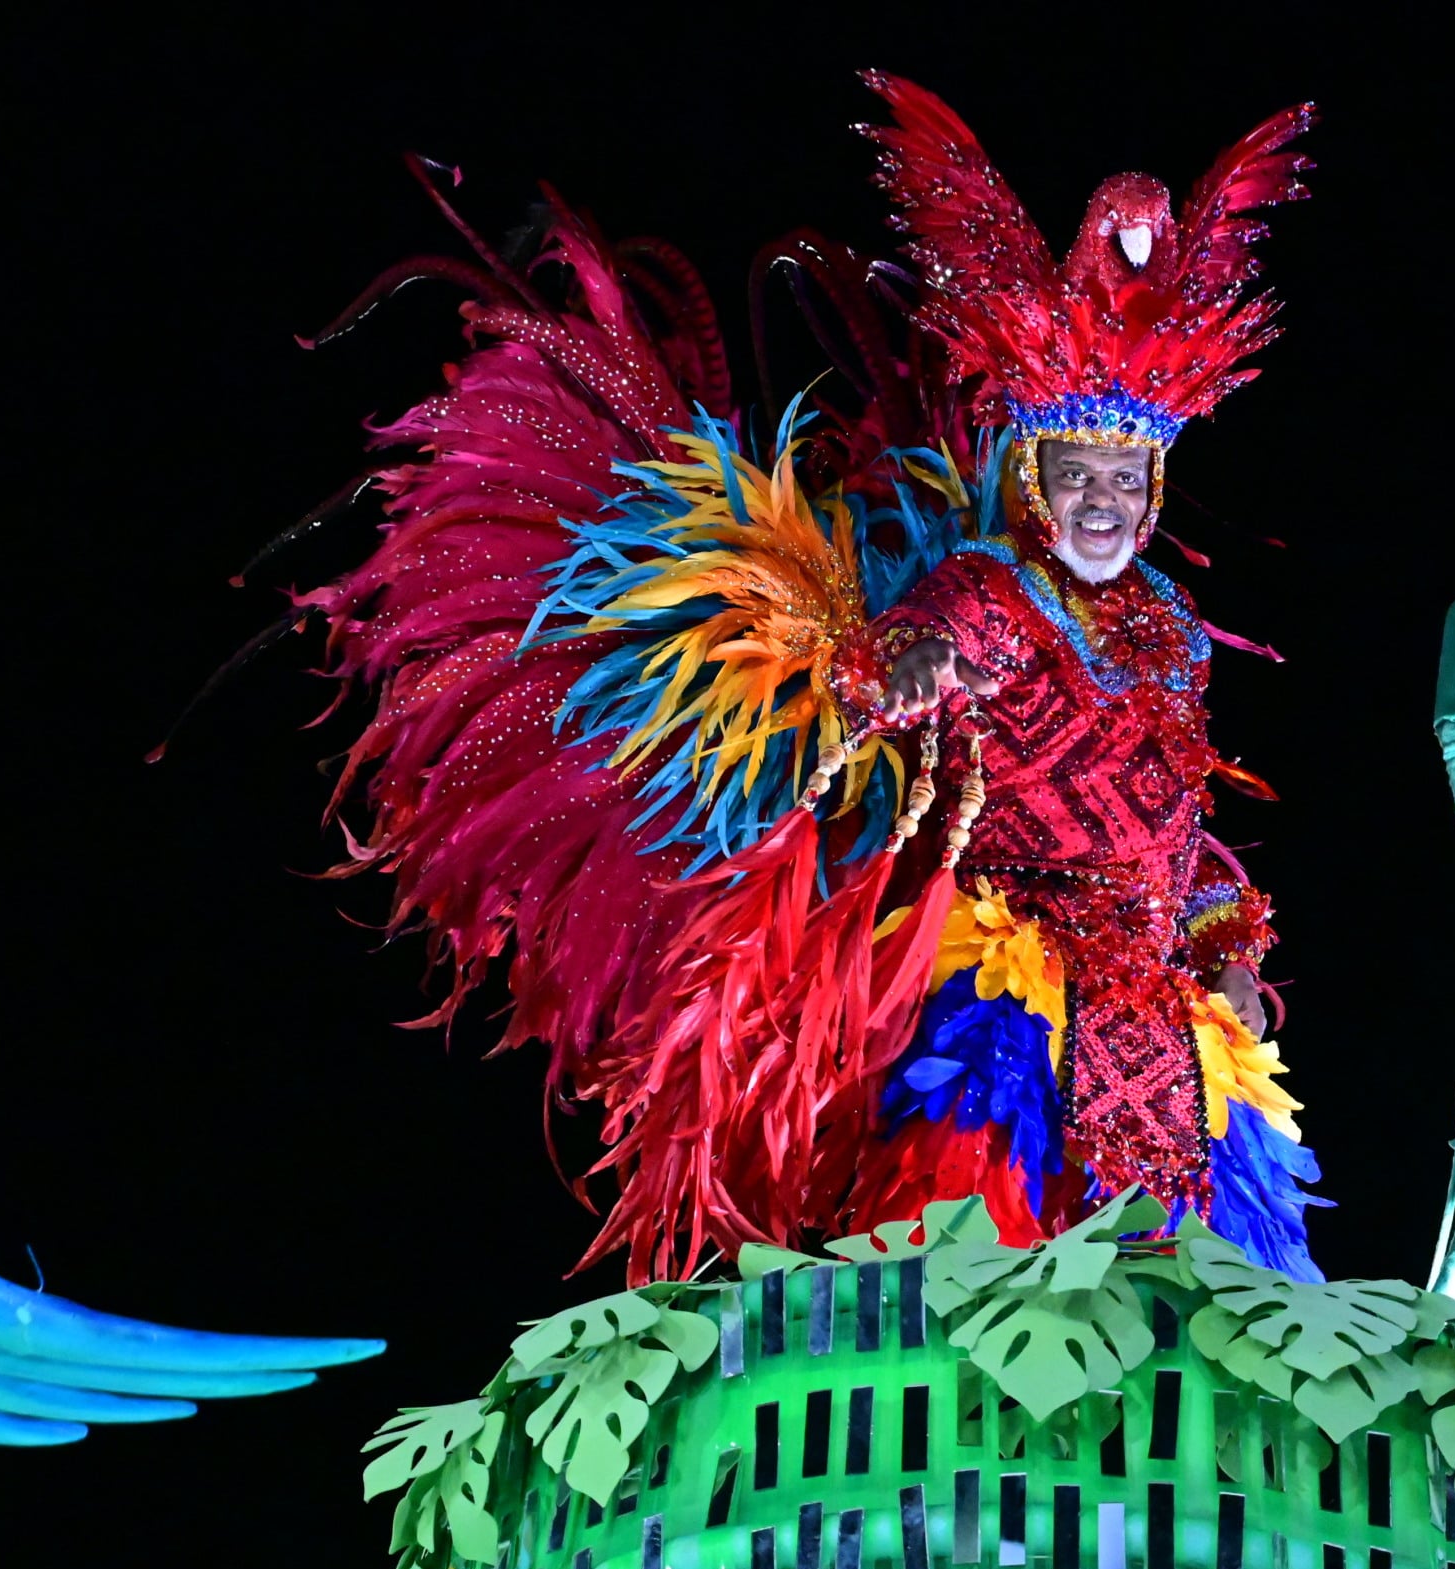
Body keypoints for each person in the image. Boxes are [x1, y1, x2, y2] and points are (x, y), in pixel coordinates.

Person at [291, 74, 1326, 1280]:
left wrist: (1225, 937)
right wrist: (907, 665)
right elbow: (889, 665)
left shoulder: (1171, 630)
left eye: (1124, 481)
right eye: (1078, 476)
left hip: (1172, 1027)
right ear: (1036, 481)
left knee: (1213, 1316)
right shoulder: (995, 591)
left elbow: (1179, 824)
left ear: (1152, 492)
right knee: (982, 1298)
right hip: (1015, 995)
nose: (1102, 501)